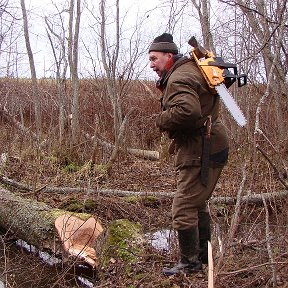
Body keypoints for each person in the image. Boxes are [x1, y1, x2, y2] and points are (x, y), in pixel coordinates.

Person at [148, 33, 229, 276]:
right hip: (209, 142)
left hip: (202, 146)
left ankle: (190, 263)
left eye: (154, 58)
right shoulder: (191, 69)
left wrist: (160, 119)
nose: (151, 64)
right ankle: (203, 258)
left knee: (183, 206)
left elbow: (186, 112)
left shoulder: (179, 77)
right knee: (197, 203)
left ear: (169, 56)